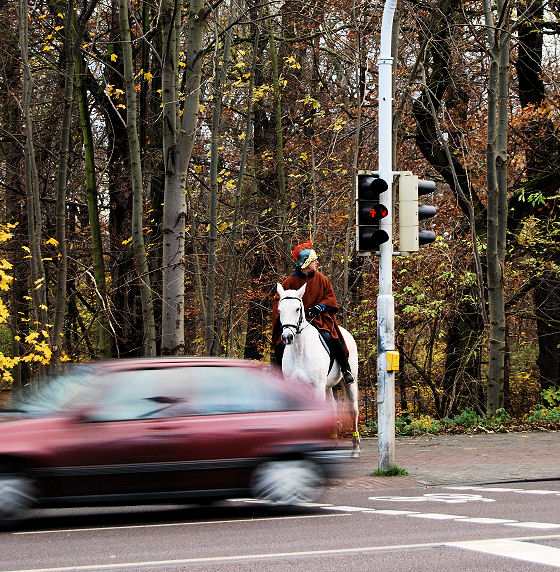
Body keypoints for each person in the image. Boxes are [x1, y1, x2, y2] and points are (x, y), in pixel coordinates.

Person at [271, 242, 355, 384]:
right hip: (293, 321)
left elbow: (330, 297)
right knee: (280, 343)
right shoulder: (289, 282)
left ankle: (346, 369)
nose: (317, 262)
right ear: (306, 263)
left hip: (319, 319)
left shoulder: (322, 279)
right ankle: (279, 375)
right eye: (314, 260)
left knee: (333, 337)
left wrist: (321, 306)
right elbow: (279, 301)